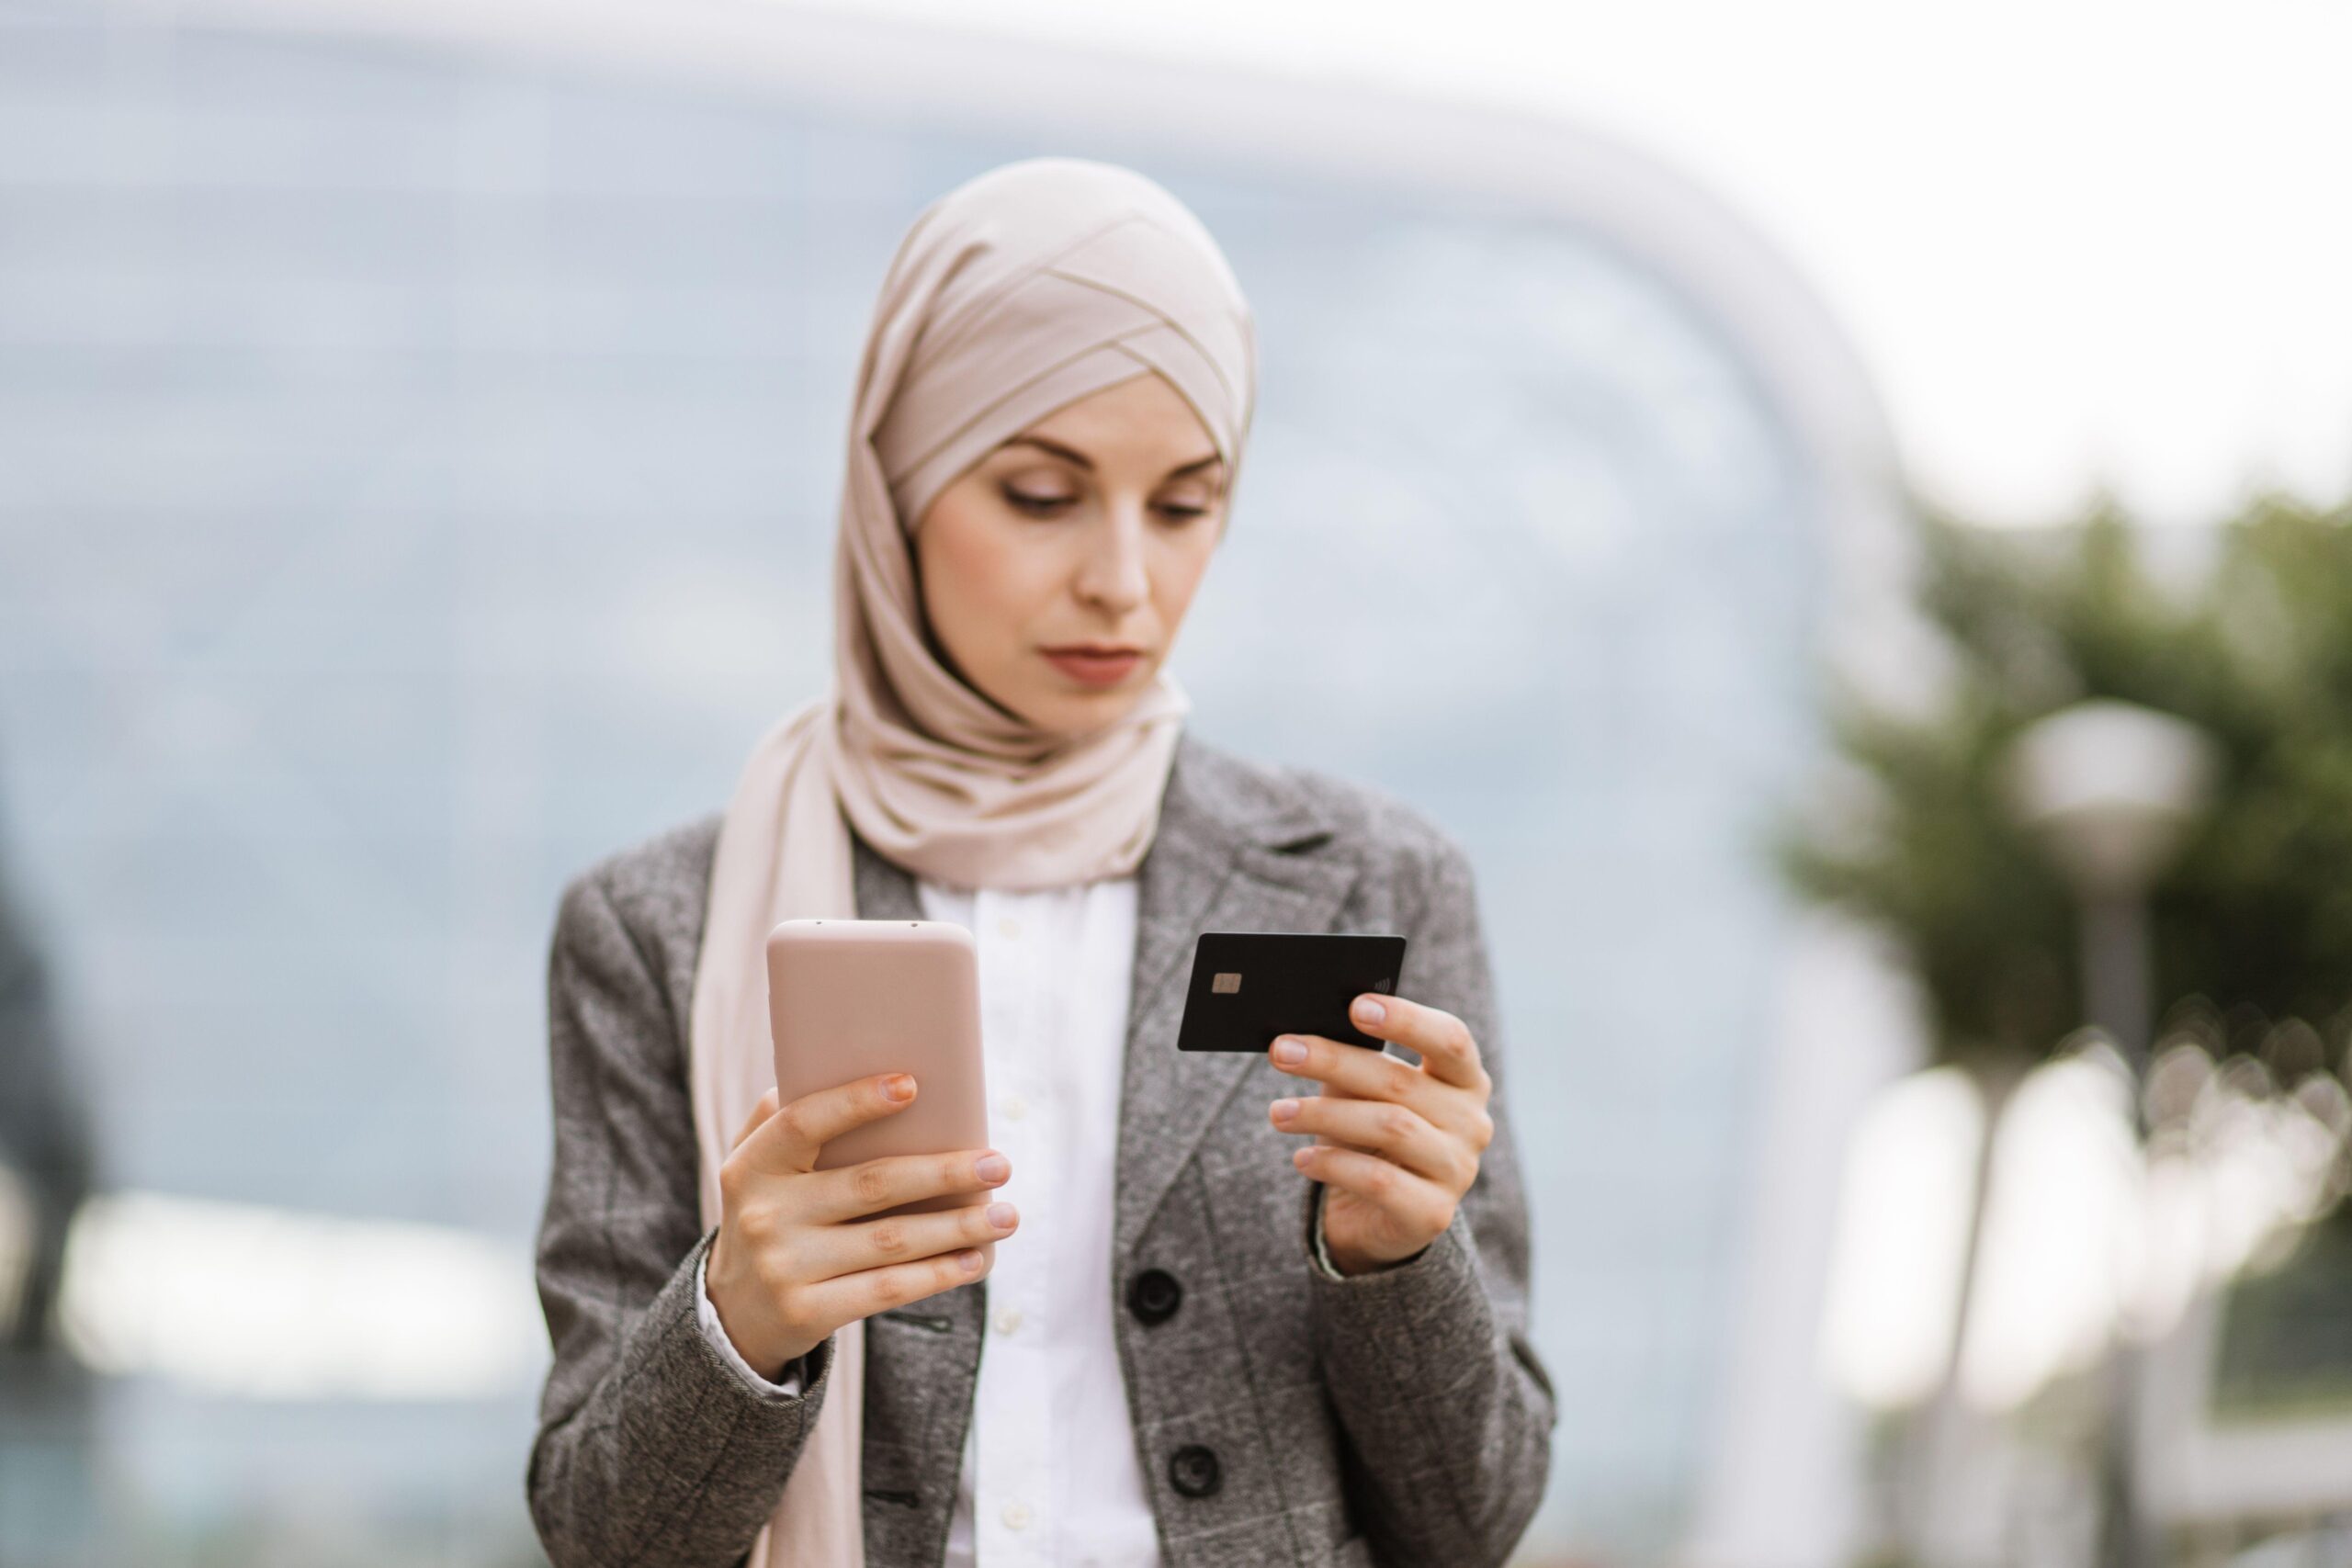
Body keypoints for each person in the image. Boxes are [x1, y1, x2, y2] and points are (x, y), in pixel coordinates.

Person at [526, 156, 1554, 1568]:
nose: (1123, 582)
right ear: (896, 491)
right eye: (1039, 492)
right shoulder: (659, 931)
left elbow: (1473, 1517)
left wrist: (1395, 1263)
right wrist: (737, 1317)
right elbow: (602, 1539)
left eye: (1185, 506)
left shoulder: (1371, 885)